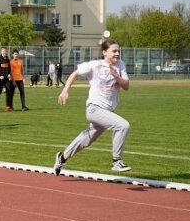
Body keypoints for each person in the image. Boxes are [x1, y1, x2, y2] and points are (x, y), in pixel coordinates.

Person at [53, 39, 132, 175]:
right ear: (104, 52)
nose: (117, 53)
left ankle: (62, 157)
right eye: (114, 51)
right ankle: (116, 161)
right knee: (123, 126)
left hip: (107, 111)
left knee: (87, 139)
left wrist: (116, 76)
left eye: (119, 51)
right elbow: (74, 74)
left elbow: (126, 86)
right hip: (94, 108)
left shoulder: (120, 65)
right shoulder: (95, 65)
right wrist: (65, 91)